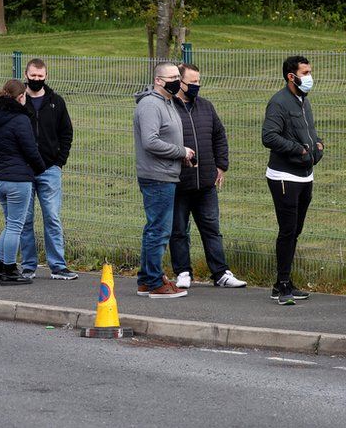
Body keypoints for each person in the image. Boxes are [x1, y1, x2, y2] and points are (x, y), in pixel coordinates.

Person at [170, 63, 246, 289]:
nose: (196, 85)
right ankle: (183, 272)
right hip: (178, 182)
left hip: (205, 183)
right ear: (179, 83)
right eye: (192, 82)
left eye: (198, 81)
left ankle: (221, 273)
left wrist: (221, 166)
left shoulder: (206, 107)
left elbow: (219, 136)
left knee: (211, 228)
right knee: (178, 230)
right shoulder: (169, 108)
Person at [262, 55, 324, 305]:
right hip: (284, 176)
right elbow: (269, 136)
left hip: (305, 175)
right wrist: (299, 150)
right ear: (292, 76)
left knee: (295, 230)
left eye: (309, 72)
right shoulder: (279, 102)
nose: (309, 77)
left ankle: (282, 282)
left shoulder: (302, 101)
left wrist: (318, 147)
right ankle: (283, 285)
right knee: (287, 231)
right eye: (305, 72)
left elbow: (309, 132)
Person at [133, 62, 194, 298]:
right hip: (156, 176)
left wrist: (182, 156)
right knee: (158, 231)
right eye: (172, 77)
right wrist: (181, 152)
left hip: (167, 172)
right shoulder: (150, 105)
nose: (177, 81)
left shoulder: (167, 103)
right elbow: (150, 142)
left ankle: (147, 279)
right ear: (158, 80)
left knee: (156, 229)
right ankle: (154, 282)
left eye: (179, 76)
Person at [19, 59, 77, 280]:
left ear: (46, 76)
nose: (36, 80)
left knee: (52, 217)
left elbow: (66, 133)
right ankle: (28, 265)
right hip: (23, 171)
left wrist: (59, 160)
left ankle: (58, 265)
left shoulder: (56, 102)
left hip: (49, 169)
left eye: (40, 76)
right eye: (32, 76)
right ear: (26, 74)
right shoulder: (19, 102)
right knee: (25, 220)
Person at [0, 79, 45, 285]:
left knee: (9, 224)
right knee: (15, 226)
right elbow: (30, 149)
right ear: (21, 97)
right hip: (18, 179)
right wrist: (40, 167)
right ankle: (9, 269)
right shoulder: (20, 119)